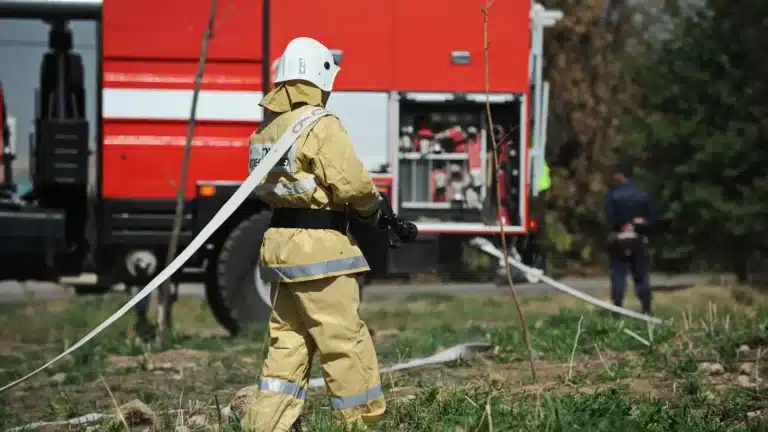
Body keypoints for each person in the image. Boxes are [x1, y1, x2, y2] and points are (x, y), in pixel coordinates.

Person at [242, 37, 385, 432]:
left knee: (286, 347)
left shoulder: (266, 130)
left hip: (280, 251)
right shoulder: (321, 125)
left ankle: (266, 425)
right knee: (343, 341)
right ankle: (361, 422)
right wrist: (376, 210)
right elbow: (352, 184)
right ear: (319, 78)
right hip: (321, 252)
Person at [605, 159, 656, 315]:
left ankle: (617, 308)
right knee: (641, 276)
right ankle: (646, 309)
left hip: (620, 239)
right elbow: (653, 218)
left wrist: (622, 225)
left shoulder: (612, 195)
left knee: (618, 275)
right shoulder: (644, 193)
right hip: (638, 238)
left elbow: (610, 218)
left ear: (619, 175)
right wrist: (640, 223)